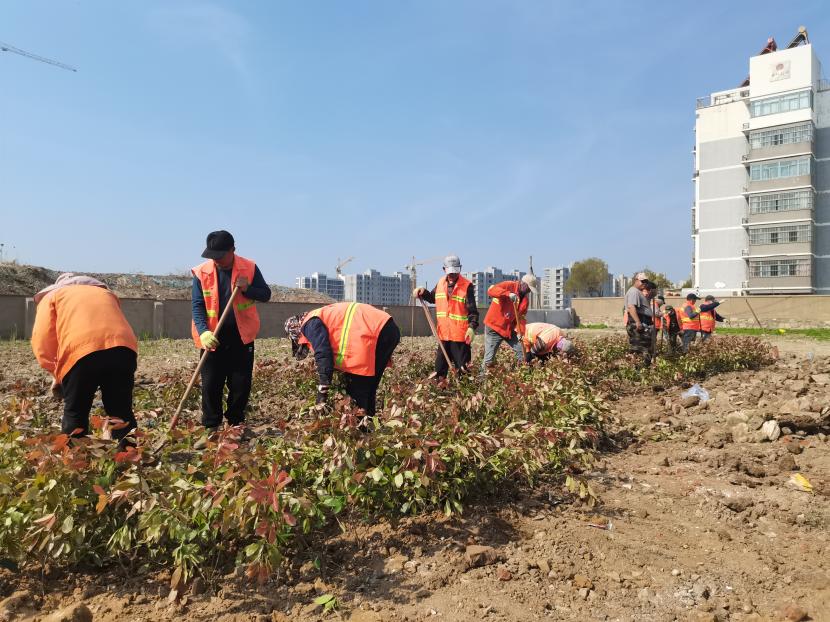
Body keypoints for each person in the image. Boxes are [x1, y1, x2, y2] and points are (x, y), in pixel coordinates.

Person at [31, 274, 138, 447]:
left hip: (81, 351)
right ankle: (129, 456)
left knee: (76, 412)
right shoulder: (106, 294)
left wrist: (56, 373)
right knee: (120, 410)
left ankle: (76, 458)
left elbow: (42, 340)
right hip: (123, 348)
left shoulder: (53, 296)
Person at [191, 230, 271, 443]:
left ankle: (235, 424)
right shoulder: (201, 273)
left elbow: (265, 294)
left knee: (240, 384)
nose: (216, 260)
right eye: (212, 256)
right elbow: (197, 306)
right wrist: (203, 331)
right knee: (211, 384)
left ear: (232, 250)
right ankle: (211, 427)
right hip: (212, 337)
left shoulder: (249, 268)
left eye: (220, 255)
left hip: (241, 337)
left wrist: (248, 289)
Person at [286, 302, 400, 419]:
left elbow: (323, 354)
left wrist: (322, 391)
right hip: (388, 328)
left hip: (373, 332)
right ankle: (368, 422)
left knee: (357, 389)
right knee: (369, 386)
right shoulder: (319, 315)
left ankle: (359, 426)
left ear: (296, 331)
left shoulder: (309, 324)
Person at [413, 255, 479, 378]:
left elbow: (473, 312)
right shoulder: (440, 283)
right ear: (444, 269)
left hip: (460, 336)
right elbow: (432, 298)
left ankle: (463, 389)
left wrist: (471, 327)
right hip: (443, 334)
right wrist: (423, 292)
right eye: (450, 272)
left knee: (463, 370)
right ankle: (441, 387)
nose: (452, 274)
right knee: (440, 370)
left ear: (460, 269)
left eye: (455, 271)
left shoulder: (466, 285)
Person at [481, 274, 539, 371]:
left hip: (508, 330)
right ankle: (481, 378)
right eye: (528, 288)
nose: (529, 291)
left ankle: (521, 373)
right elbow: (491, 291)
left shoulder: (525, 301)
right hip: (494, 328)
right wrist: (508, 294)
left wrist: (520, 333)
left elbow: (521, 319)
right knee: (489, 360)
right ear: (523, 283)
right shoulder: (509, 285)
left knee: (522, 351)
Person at [624, 272, 654, 366]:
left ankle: (642, 368)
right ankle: (639, 369)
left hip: (643, 322)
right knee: (640, 349)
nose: (644, 283)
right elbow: (631, 307)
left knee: (643, 347)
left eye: (646, 282)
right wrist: (638, 322)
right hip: (639, 322)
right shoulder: (634, 291)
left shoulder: (638, 292)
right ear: (636, 280)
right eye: (642, 281)